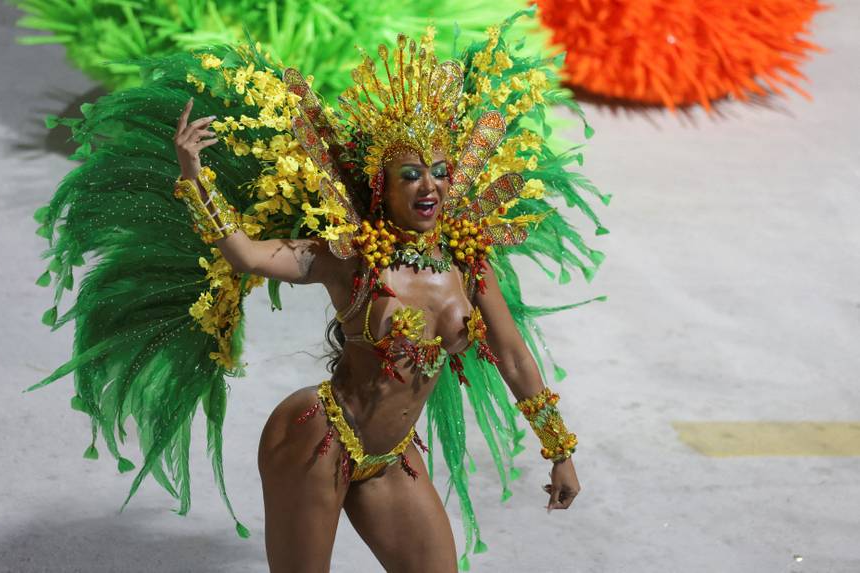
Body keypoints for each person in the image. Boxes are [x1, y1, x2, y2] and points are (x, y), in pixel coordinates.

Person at [33, 11, 605, 571]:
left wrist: (559, 452)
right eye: (411, 174)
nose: (429, 185)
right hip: (319, 441)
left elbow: (511, 354)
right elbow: (249, 255)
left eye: (439, 170)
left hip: (391, 457)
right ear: (381, 186)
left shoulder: (469, 260)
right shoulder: (351, 255)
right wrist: (194, 178)